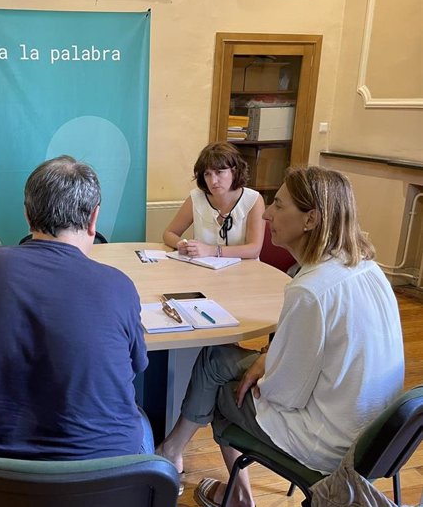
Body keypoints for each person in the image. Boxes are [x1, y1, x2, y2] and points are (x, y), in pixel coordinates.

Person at [156, 166, 405, 507]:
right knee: (220, 360)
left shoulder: (309, 291)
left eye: (280, 205)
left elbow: (284, 394)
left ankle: (231, 490)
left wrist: (266, 367)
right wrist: (268, 357)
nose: (268, 214)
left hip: (328, 445)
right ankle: (175, 453)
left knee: (218, 379)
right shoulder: (368, 268)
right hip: (379, 437)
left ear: (310, 220)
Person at [0, 155, 153, 467]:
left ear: (28, 215)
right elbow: (138, 365)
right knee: (144, 425)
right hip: (105, 483)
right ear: (94, 218)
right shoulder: (119, 285)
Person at [163, 142, 264, 259]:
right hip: (204, 271)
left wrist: (211, 250)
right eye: (207, 174)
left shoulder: (253, 200)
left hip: (243, 272)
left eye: (219, 172)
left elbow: (254, 250)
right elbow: (169, 234)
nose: (213, 181)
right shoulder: (196, 198)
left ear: (234, 171)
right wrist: (182, 244)